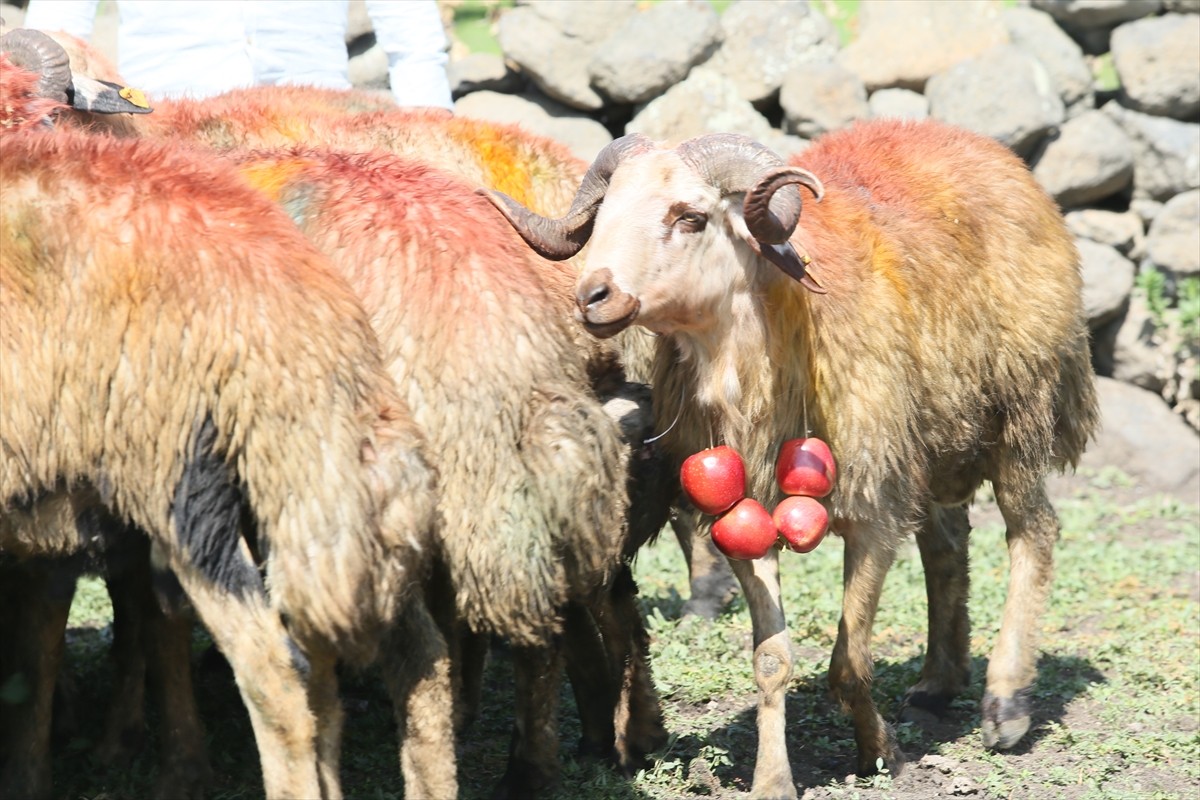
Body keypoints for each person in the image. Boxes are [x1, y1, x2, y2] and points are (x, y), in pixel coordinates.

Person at [22, 0, 453, 110]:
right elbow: (56, 30)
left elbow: (407, 18)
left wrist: (428, 109)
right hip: (171, 132)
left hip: (320, 128)